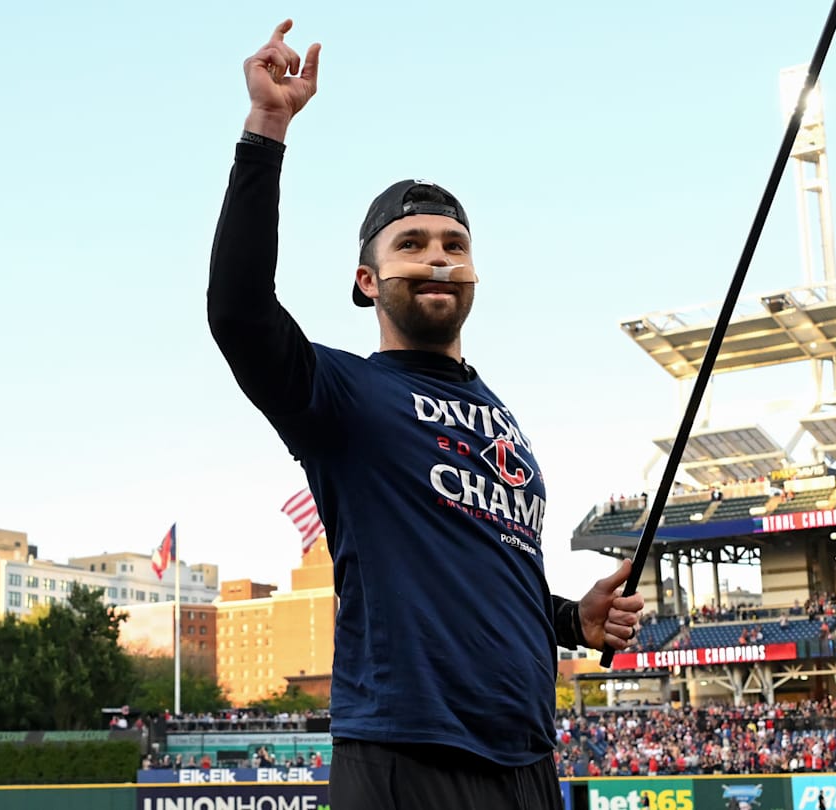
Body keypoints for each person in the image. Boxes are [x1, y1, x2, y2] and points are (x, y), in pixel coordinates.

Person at [208, 19, 645, 810]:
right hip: (406, 756)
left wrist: (572, 620)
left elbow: (488, 576)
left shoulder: (500, 414)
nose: (438, 256)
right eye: (410, 244)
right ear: (368, 282)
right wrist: (267, 128)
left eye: (454, 243)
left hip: (527, 760)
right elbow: (238, 314)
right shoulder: (340, 396)